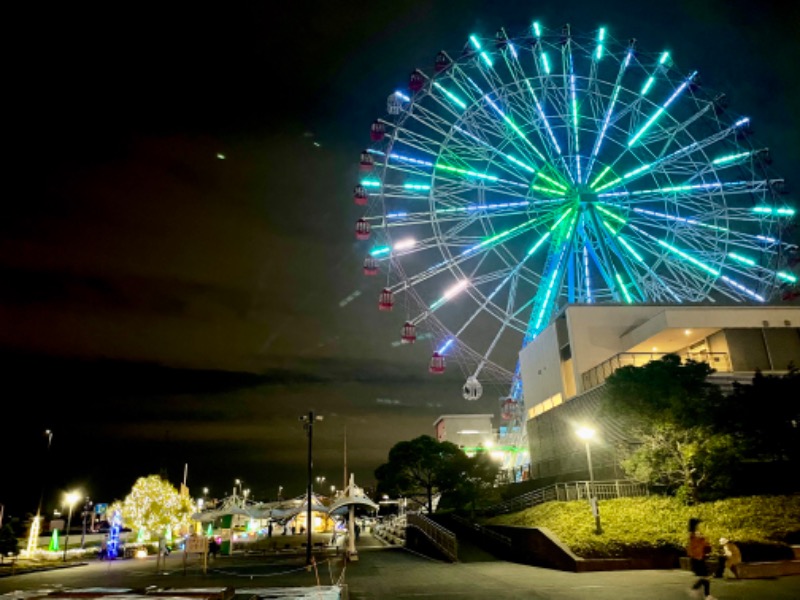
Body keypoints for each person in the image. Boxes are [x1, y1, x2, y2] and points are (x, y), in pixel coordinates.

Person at [686, 518, 716, 600]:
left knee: (705, 577)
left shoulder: (695, 536)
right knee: (705, 577)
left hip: (699, 558)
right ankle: (697, 590)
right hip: (697, 559)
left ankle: (706, 595)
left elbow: (706, 547)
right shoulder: (693, 535)